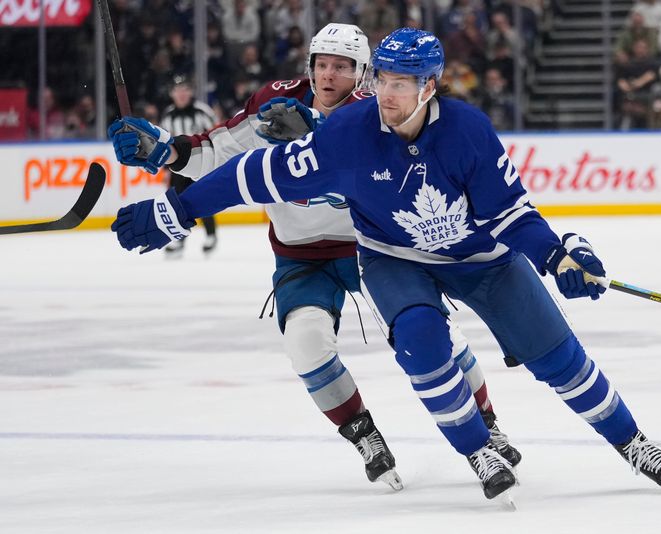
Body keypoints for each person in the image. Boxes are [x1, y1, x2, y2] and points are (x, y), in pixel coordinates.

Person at [110, 27, 661, 503]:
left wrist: (558, 253)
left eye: (401, 82)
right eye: (383, 79)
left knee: (558, 357)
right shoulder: (344, 135)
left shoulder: (467, 131)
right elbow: (250, 174)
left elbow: (512, 215)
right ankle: (479, 450)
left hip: (478, 259)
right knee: (419, 337)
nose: (387, 93)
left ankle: (633, 443)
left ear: (429, 85)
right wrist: (176, 210)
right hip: (393, 258)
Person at [107, 23, 520, 492]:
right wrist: (163, 149)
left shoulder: (379, 113)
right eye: (322, 64)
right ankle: (365, 435)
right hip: (300, 255)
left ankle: (486, 423)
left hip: (375, 249)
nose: (329, 75)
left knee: (434, 334)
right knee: (304, 342)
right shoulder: (273, 103)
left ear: (362, 74)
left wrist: (318, 135)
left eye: (342, 67)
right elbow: (218, 154)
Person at [159, 75, 219, 257]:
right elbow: (164, 144)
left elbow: (218, 134)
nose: (182, 94)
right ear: (171, 94)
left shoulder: (203, 111)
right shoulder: (168, 115)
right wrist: (165, 170)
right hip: (177, 168)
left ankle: (210, 235)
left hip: (202, 163)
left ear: (191, 91)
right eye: (178, 90)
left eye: (185, 89)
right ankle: (179, 240)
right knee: (176, 203)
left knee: (203, 199)